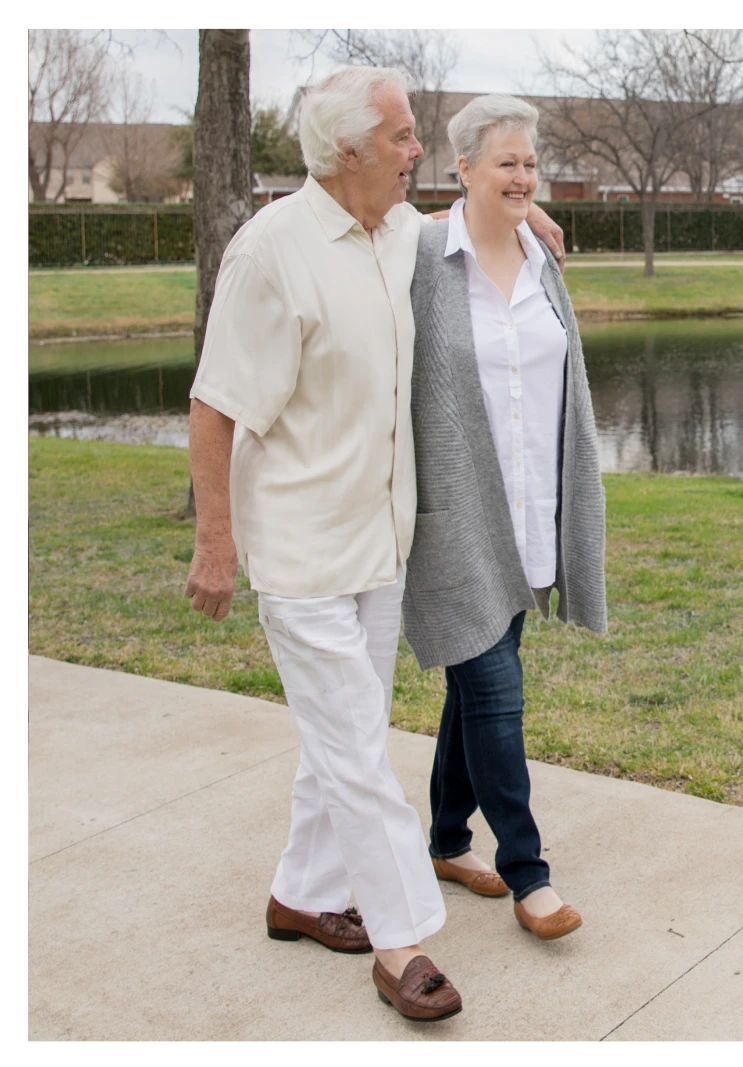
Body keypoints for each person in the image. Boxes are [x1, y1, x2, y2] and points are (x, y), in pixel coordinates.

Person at [183, 69, 565, 1022]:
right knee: (357, 748)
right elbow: (214, 402)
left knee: (335, 738)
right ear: (348, 150)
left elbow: (467, 217)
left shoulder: (399, 235)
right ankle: (400, 941)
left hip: (380, 545)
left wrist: (524, 220)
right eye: (400, 137)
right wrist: (215, 541)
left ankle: (297, 896)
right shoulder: (270, 251)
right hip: (303, 548)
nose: (414, 152)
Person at [403, 94, 607, 941]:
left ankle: (447, 838)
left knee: (474, 677)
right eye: (506, 163)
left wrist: (523, 208)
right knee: (493, 691)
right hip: (456, 518)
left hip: (533, 511)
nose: (523, 175)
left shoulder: (542, 257)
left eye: (531, 163)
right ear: (462, 170)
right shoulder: (418, 253)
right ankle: (529, 873)